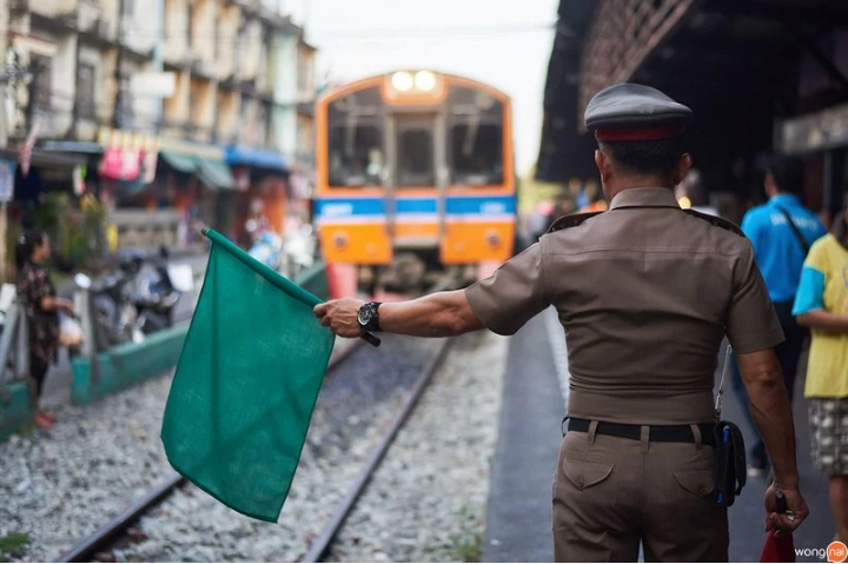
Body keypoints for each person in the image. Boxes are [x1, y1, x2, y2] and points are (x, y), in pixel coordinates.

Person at [313, 83, 808, 561]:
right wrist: (785, 482)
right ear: (682, 168)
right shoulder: (728, 249)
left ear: (601, 163)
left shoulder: (563, 248)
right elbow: (762, 376)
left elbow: (457, 311)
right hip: (691, 468)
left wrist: (368, 313)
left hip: (593, 464)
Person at [731, 155, 826, 475]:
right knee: (781, 385)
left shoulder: (758, 218)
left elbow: (741, 267)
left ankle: (769, 446)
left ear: (770, 181)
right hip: (798, 315)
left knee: (744, 382)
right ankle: (767, 449)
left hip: (761, 313)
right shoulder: (815, 223)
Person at [792, 204, 848, 543]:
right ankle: (843, 537)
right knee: (840, 469)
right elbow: (804, 311)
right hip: (833, 382)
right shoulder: (823, 251)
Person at [15, 231, 74, 428]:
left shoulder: (25, 271)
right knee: (37, 371)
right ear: (37, 249)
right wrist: (64, 304)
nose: (48, 249)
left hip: (30, 331)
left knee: (36, 371)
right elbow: (45, 302)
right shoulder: (37, 273)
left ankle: (37, 409)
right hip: (38, 331)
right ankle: (33, 413)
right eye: (45, 245)